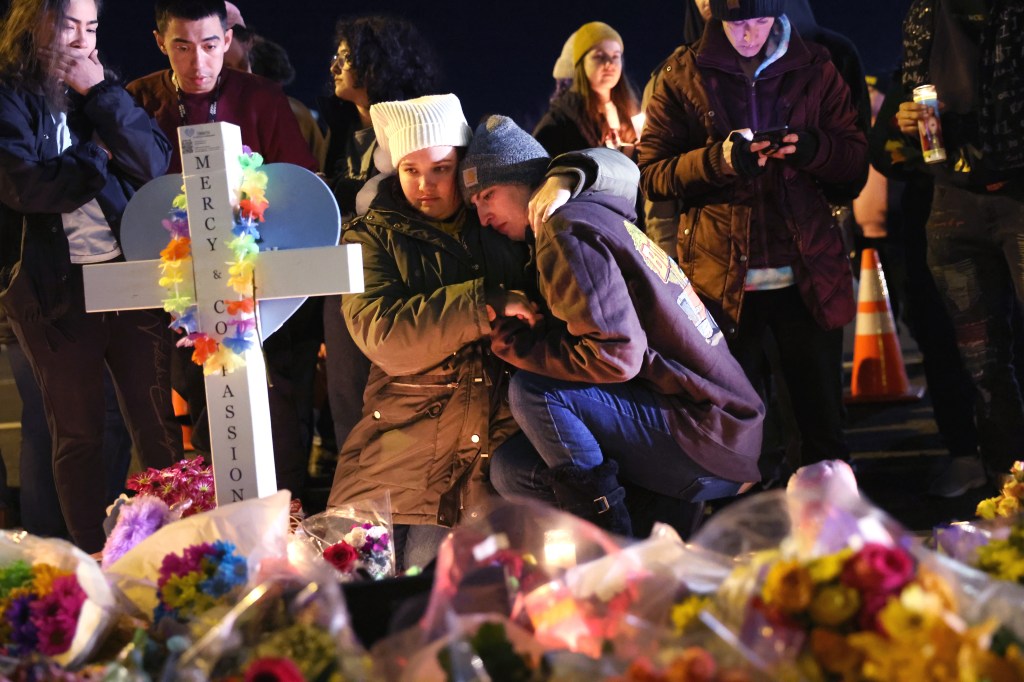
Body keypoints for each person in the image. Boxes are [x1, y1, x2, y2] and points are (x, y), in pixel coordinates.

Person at [461, 115, 765, 537]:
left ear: (526, 181)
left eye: (487, 195)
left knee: (533, 391)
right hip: (721, 428)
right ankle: (660, 519)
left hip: (708, 434)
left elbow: (616, 356)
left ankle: (615, 557)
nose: (482, 215)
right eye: (474, 203)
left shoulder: (563, 228)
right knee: (513, 470)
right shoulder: (589, 214)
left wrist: (518, 344)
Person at [637, 0, 867, 475]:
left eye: (760, 21)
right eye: (739, 22)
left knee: (820, 432)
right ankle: (740, 538)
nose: (749, 34)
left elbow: (853, 162)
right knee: (733, 440)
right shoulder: (681, 74)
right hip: (719, 287)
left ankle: (828, 537)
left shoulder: (816, 67)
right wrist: (717, 161)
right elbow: (650, 173)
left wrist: (811, 148)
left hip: (807, 281)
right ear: (714, 14)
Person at [0, 0, 182, 552]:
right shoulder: (9, 92)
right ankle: (94, 558)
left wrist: (101, 95)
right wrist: (96, 159)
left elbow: (154, 164)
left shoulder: (100, 90)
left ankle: (182, 546)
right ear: (33, 22)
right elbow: (24, 187)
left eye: (92, 26)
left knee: (157, 425)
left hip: (128, 278)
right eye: (68, 23)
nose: (81, 37)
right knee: (76, 433)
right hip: (52, 290)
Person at [327, 94, 535, 570]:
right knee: (359, 582)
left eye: (440, 168)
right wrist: (483, 303)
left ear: (463, 164)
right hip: (401, 431)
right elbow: (383, 333)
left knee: (449, 587)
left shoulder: (498, 217)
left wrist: (571, 178)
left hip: (493, 435)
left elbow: (610, 176)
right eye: (410, 169)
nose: (425, 185)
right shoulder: (371, 236)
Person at [128, 0, 321, 500]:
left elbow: (293, 190)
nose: (199, 63)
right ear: (160, 43)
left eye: (211, 46)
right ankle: (221, 518)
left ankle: (289, 516)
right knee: (205, 411)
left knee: (276, 412)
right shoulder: (140, 101)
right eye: (182, 47)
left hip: (260, 290)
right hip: (180, 296)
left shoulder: (261, 98)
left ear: (228, 39)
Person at [889, 0, 1024, 488]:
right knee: (982, 361)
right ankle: (1005, 485)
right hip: (952, 198)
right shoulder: (926, 14)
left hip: (1017, 193)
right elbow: (909, 104)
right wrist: (905, 120)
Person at [315, 15, 441, 485]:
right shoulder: (343, 127)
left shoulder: (414, 123)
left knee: (395, 393)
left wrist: (336, 190)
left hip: (396, 277)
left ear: (377, 62)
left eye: (345, 57)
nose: (333, 66)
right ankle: (358, 508)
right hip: (341, 272)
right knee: (346, 396)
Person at [534, 21, 641, 159]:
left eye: (615, 56)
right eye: (599, 56)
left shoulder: (627, 113)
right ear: (581, 64)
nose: (609, 63)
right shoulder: (559, 124)